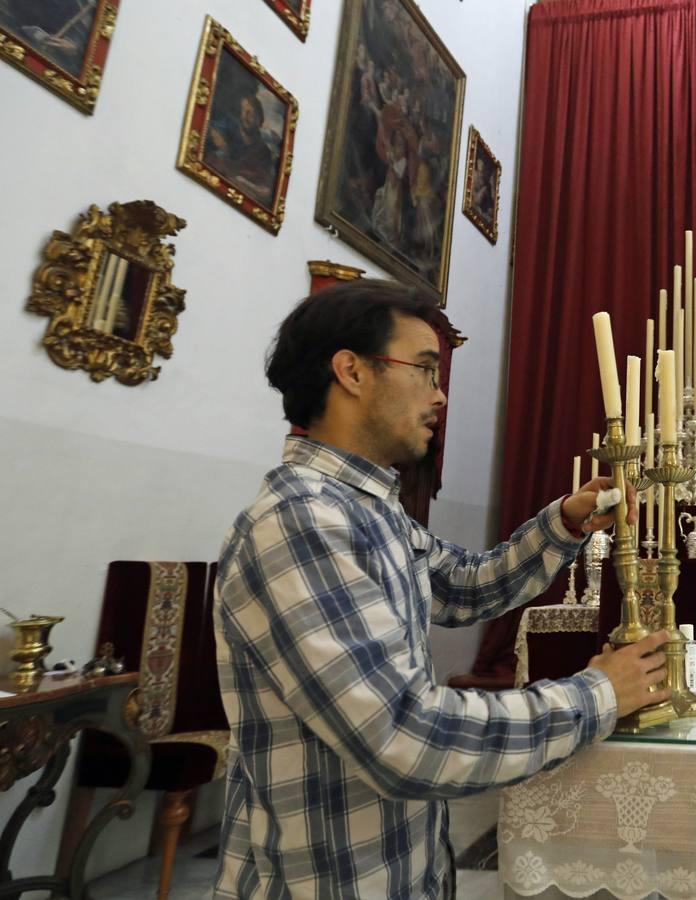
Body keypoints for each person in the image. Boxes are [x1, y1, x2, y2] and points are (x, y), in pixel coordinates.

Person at [212, 279, 670, 898]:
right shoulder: (303, 523)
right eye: (425, 370)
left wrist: (563, 523)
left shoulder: (368, 510)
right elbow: (406, 737)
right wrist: (598, 695)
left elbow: (464, 588)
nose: (441, 394)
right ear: (351, 371)